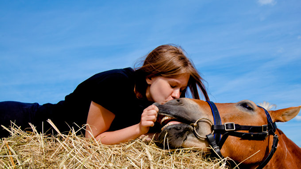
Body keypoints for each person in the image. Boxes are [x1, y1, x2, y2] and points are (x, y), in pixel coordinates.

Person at [0, 44, 209, 144]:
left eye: (181, 89)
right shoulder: (116, 84)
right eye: (172, 85)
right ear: (150, 76)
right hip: (18, 124)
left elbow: (140, 139)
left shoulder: (149, 105)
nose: (176, 94)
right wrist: (138, 128)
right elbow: (93, 141)